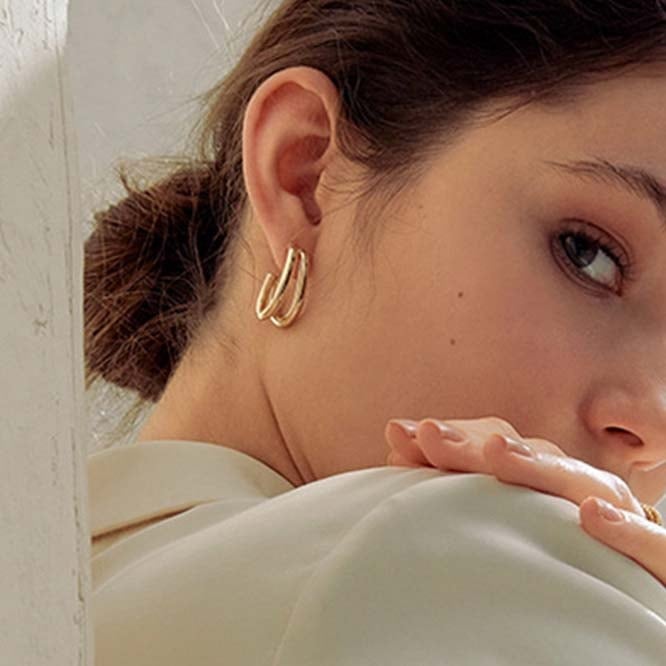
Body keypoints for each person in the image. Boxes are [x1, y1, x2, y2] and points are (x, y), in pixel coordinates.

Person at [85, 1, 666, 663]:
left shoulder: (70, 580)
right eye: (588, 254)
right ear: (306, 175)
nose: (654, 426)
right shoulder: (453, 561)